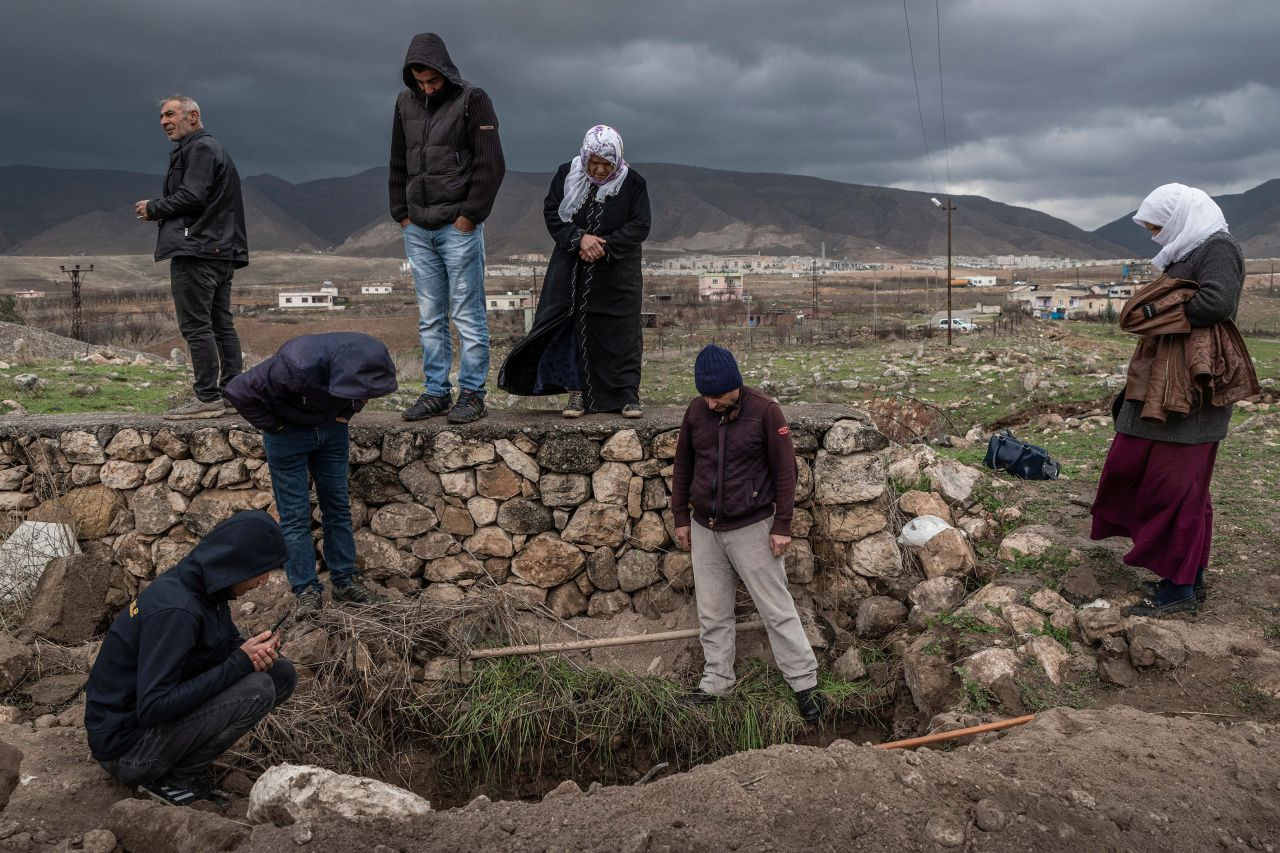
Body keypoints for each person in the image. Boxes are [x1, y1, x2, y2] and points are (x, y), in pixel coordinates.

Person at [1091, 183, 1258, 618]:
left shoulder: (1217, 247)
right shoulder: (1186, 250)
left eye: (1157, 226)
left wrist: (1155, 308)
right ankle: (1187, 577)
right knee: (1166, 482)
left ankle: (1179, 589)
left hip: (1191, 393)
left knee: (1177, 489)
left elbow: (1217, 302)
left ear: (1179, 217)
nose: (1154, 236)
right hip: (1165, 386)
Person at [85, 511, 294, 807]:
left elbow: (222, 646)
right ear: (236, 562)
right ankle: (170, 779)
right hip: (128, 751)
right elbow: (154, 706)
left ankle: (179, 767)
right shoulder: (178, 611)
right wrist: (240, 662)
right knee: (257, 688)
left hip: (145, 730)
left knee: (280, 673)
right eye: (260, 570)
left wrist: (252, 650)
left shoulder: (206, 589)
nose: (265, 580)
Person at [670, 344, 822, 721]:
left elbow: (786, 472)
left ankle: (805, 683)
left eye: (717, 397)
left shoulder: (766, 412)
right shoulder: (696, 411)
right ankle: (717, 682)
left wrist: (782, 525)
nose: (710, 404)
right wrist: (680, 518)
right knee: (712, 611)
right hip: (705, 528)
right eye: (705, 396)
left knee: (777, 608)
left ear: (735, 387)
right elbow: (683, 466)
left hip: (753, 528)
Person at [223, 333, 398, 614]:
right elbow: (239, 391)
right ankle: (306, 590)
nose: (362, 396)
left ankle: (344, 582)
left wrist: (346, 414)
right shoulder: (294, 365)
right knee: (294, 516)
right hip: (287, 436)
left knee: (338, 508)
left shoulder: (372, 354)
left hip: (332, 432)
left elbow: (367, 389)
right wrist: (276, 427)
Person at [391, 33, 506, 425]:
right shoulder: (405, 103)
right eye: (420, 82)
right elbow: (398, 161)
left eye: (433, 81)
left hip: (457, 227)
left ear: (444, 70)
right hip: (417, 228)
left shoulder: (473, 99)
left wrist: (469, 216)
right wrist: (401, 213)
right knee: (430, 315)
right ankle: (436, 392)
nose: (427, 88)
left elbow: (491, 164)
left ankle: (472, 394)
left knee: (467, 313)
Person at [498, 125, 651, 418]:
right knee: (573, 330)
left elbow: (640, 224)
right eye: (594, 162)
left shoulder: (634, 183)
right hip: (571, 270)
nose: (600, 169)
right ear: (585, 156)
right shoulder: (566, 174)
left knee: (621, 333)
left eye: (607, 164)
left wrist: (603, 246)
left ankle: (627, 395)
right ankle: (577, 393)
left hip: (617, 274)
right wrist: (579, 239)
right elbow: (553, 212)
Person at [134, 94, 246, 421]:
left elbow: (192, 196)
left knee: (196, 325)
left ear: (193, 116)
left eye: (170, 114)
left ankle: (207, 397)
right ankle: (233, 394)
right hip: (221, 250)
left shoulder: (199, 148)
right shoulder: (212, 148)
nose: (164, 122)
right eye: (161, 117)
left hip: (196, 250)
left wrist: (153, 208)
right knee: (220, 323)